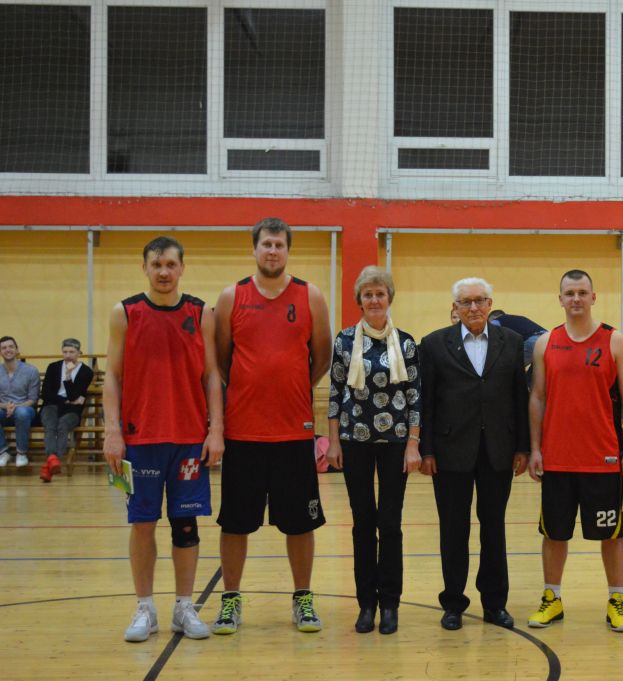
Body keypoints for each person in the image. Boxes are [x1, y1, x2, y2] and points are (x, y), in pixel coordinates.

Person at [213, 217, 333, 635]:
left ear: (287, 251)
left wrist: (292, 387)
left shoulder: (310, 295)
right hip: (242, 432)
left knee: (301, 523)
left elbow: (322, 357)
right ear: (254, 249)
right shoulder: (231, 296)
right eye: (266, 244)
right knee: (235, 522)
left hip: (294, 432)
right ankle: (230, 599)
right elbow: (222, 360)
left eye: (279, 245)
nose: (272, 251)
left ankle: (303, 597)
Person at [102, 236, 224, 642]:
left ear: (182, 268)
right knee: (142, 523)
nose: (164, 272)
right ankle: (145, 608)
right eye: (156, 265)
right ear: (145, 268)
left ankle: (184, 607)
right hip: (139, 440)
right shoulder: (125, 313)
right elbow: (112, 376)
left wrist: (216, 430)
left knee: (185, 525)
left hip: (189, 438)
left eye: (171, 264)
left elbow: (212, 375)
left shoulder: (201, 313)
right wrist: (112, 431)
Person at [527, 270, 623, 632]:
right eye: (569, 293)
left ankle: (617, 600)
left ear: (593, 297)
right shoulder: (545, 343)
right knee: (554, 533)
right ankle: (552, 598)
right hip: (557, 457)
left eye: (582, 292)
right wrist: (535, 448)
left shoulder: (616, 341)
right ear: (560, 299)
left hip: (603, 457)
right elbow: (538, 397)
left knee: (612, 535)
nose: (575, 298)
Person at [419, 277, 530, 631]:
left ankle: (495, 604)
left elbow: (520, 398)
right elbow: (427, 402)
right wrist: (426, 450)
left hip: (498, 450)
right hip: (450, 451)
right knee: (453, 528)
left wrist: (523, 446)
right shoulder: (434, 344)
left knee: (493, 528)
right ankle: (453, 603)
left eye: (480, 300)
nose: (473, 308)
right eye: (466, 302)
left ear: (490, 303)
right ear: (455, 307)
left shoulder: (511, 342)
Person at [327, 266, 421, 635]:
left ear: (389, 297)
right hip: (354, 441)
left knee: (390, 524)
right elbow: (335, 393)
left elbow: (415, 398)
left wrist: (413, 444)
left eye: (380, 293)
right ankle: (366, 604)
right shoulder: (344, 341)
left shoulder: (407, 343)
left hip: (396, 443)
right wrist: (333, 441)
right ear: (359, 300)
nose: (374, 299)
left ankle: (391, 604)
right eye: (368, 294)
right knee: (363, 523)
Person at [39, 338, 95, 482]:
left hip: (72, 410)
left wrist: (69, 376)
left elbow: (74, 396)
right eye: (65, 352)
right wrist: (64, 400)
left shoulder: (86, 372)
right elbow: (45, 394)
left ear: (79, 353)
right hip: (51, 406)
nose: (68, 355)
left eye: (72, 352)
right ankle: (53, 460)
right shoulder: (53, 367)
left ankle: (50, 463)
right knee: (50, 425)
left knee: (63, 425)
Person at [0, 336, 40, 468]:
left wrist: (15, 407)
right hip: (3, 410)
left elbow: (33, 399)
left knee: (21, 413)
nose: (8, 350)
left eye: (11, 347)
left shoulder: (31, 371)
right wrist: (6, 406)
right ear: (0, 352)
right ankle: (3, 452)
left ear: (17, 350)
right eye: (4, 348)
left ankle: (21, 453)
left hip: (26, 411)